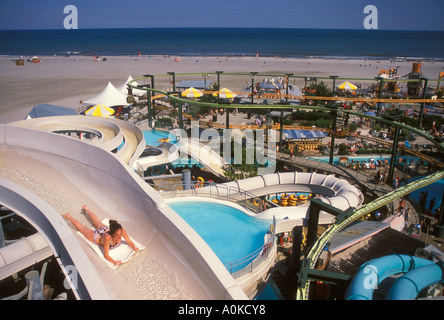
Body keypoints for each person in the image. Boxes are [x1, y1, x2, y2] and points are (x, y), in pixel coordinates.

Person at [62, 205, 139, 266]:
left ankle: (86, 209)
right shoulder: (108, 238)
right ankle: (68, 216)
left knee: (96, 221)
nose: (120, 236)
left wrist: (133, 247)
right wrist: (114, 262)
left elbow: (128, 240)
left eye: (120, 234)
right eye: (117, 235)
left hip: (104, 229)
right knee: (82, 228)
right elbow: (106, 255)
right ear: (112, 234)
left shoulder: (121, 230)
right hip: (97, 237)